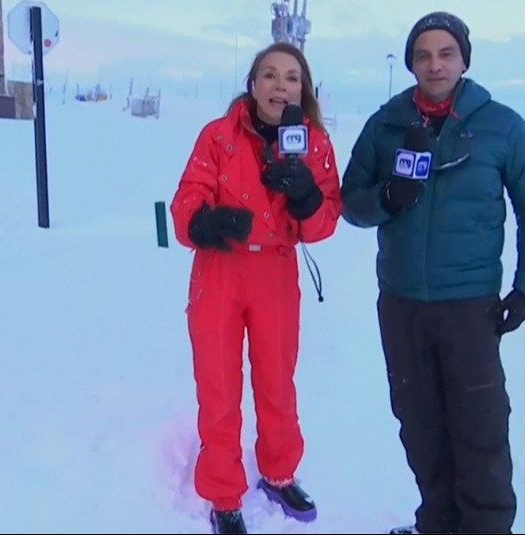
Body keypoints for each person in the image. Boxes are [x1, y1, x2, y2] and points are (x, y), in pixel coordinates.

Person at [339, 11, 525, 535]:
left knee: (478, 424)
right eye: (423, 54)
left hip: (469, 305)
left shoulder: (500, 125)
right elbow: (349, 201)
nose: (434, 64)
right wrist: (386, 200)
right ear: (411, 62)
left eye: (446, 53)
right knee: (420, 424)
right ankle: (436, 524)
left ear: (463, 59)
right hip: (401, 303)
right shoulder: (386, 123)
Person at [169, 42, 342, 534]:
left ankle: (278, 470)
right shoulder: (217, 137)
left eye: (291, 77)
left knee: (276, 381)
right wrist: (206, 221)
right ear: (252, 84)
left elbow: (325, 218)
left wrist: (307, 197)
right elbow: (186, 202)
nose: (279, 86)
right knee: (219, 386)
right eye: (269, 75)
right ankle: (224, 492)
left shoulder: (314, 144)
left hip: (276, 275)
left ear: (302, 90)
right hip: (220, 273)